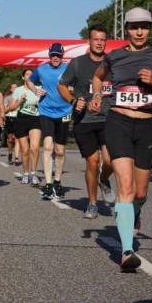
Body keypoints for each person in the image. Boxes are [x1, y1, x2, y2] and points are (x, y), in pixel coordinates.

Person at [90, 7, 152, 272]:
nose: (139, 31)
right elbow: (98, 78)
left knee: (140, 192)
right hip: (118, 122)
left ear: (149, 30)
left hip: (146, 126)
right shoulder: (114, 56)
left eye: (144, 26)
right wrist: (97, 96)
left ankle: (134, 212)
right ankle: (127, 251)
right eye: (134, 27)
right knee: (126, 187)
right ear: (126, 30)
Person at [59, 24, 116, 218]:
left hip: (109, 118)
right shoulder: (78, 63)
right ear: (89, 41)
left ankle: (104, 179)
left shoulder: (112, 63)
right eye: (96, 39)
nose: (99, 43)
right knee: (93, 162)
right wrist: (74, 101)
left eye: (102, 39)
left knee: (110, 161)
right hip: (84, 120)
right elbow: (62, 86)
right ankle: (92, 203)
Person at [27, 42, 71, 201]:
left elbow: (79, 82)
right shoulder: (41, 69)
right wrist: (35, 90)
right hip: (46, 111)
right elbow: (30, 81)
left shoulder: (68, 68)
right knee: (47, 146)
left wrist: (73, 91)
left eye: (58, 55)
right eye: (53, 55)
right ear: (49, 55)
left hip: (64, 112)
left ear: (62, 56)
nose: (55, 58)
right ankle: (47, 184)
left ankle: (57, 182)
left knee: (59, 151)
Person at [7, 69, 42, 186]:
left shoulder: (39, 88)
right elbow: (11, 107)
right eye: (27, 74)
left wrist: (41, 103)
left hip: (36, 119)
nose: (29, 76)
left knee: (35, 147)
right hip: (22, 119)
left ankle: (33, 173)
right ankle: (26, 173)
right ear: (23, 78)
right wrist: (20, 102)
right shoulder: (18, 90)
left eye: (31, 75)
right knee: (25, 150)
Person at [0, 82, 19, 164]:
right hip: (10, 118)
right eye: (13, 88)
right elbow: (4, 110)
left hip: (19, 119)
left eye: (16, 88)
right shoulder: (7, 98)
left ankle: (16, 157)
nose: (15, 89)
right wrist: (11, 106)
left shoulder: (22, 97)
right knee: (10, 139)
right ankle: (10, 153)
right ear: (11, 89)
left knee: (17, 138)